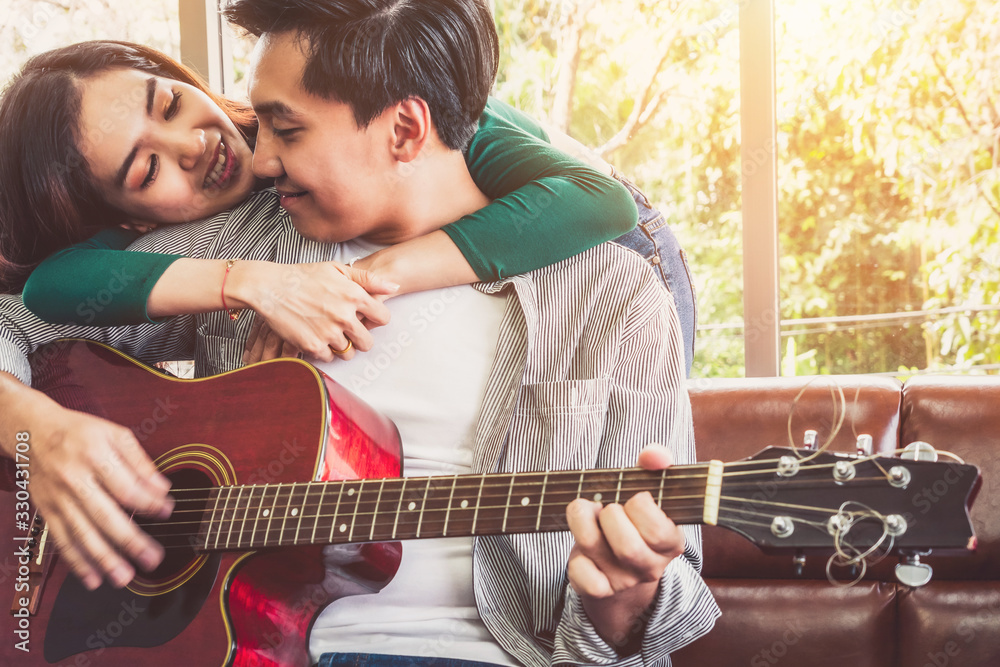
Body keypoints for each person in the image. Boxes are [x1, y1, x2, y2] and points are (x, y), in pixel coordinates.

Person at [0, 0, 718, 663]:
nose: (258, 158)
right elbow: (20, 316)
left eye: (286, 129)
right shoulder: (240, 241)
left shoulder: (613, 295)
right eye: (264, 122)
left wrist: (623, 599)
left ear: (406, 129)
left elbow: (669, 602)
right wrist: (42, 435)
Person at [1, 46, 697, 373]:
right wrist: (255, 282)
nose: (194, 141)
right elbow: (50, 288)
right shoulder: (227, 225)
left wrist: (345, 286)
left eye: (170, 103)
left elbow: (596, 201)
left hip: (621, 239)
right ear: (130, 221)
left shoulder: (373, 114)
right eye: (148, 167)